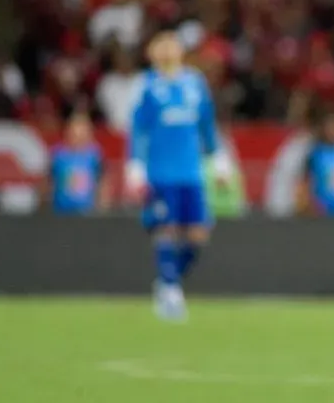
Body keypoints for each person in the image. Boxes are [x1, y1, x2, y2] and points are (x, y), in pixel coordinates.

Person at [126, 31, 231, 321]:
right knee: (166, 230)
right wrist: (134, 167)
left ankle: (167, 281)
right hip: (160, 173)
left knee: (198, 234)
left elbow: (207, 126)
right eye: (163, 47)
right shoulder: (147, 85)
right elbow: (138, 129)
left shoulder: (194, 83)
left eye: (173, 47)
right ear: (153, 53)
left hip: (191, 173)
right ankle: (171, 292)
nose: (168, 52)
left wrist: (219, 161)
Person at [48, 112, 105, 215]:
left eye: (83, 132)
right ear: (68, 132)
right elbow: (49, 180)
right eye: (75, 132)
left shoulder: (95, 155)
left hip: (87, 212)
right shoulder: (58, 154)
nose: (78, 137)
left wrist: (101, 205)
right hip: (61, 213)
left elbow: (102, 180)